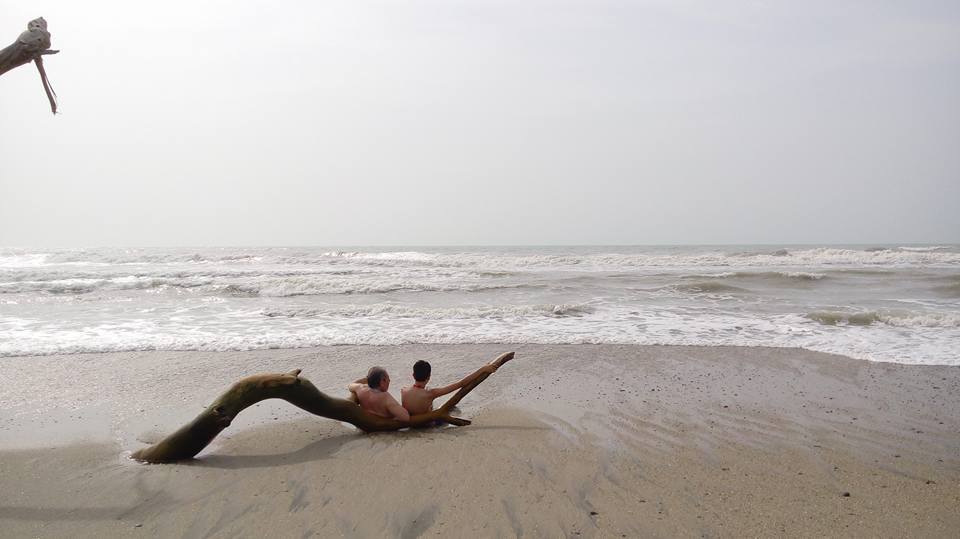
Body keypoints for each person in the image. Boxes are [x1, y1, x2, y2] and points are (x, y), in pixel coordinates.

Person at [400, 360, 498, 415]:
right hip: (427, 424)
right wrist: (483, 369)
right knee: (453, 409)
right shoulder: (431, 393)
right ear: (429, 377)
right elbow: (461, 383)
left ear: (413, 375)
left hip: (411, 423)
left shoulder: (403, 391)